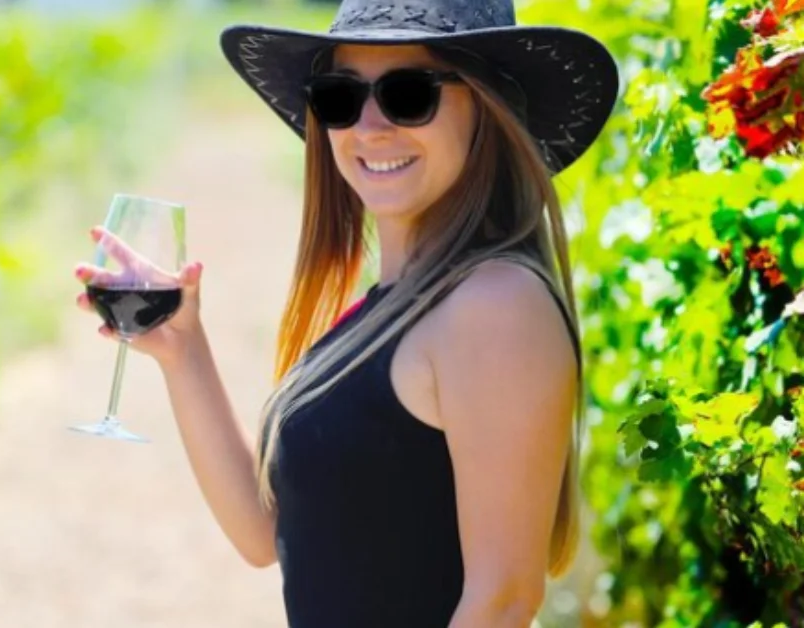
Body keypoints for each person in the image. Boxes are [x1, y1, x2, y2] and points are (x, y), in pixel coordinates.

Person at [74, 0, 620, 625]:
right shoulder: (390, 309)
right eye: (339, 98)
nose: (370, 126)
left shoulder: (495, 306)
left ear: (486, 108)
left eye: (409, 94)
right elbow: (264, 534)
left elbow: (502, 601)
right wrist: (183, 351)